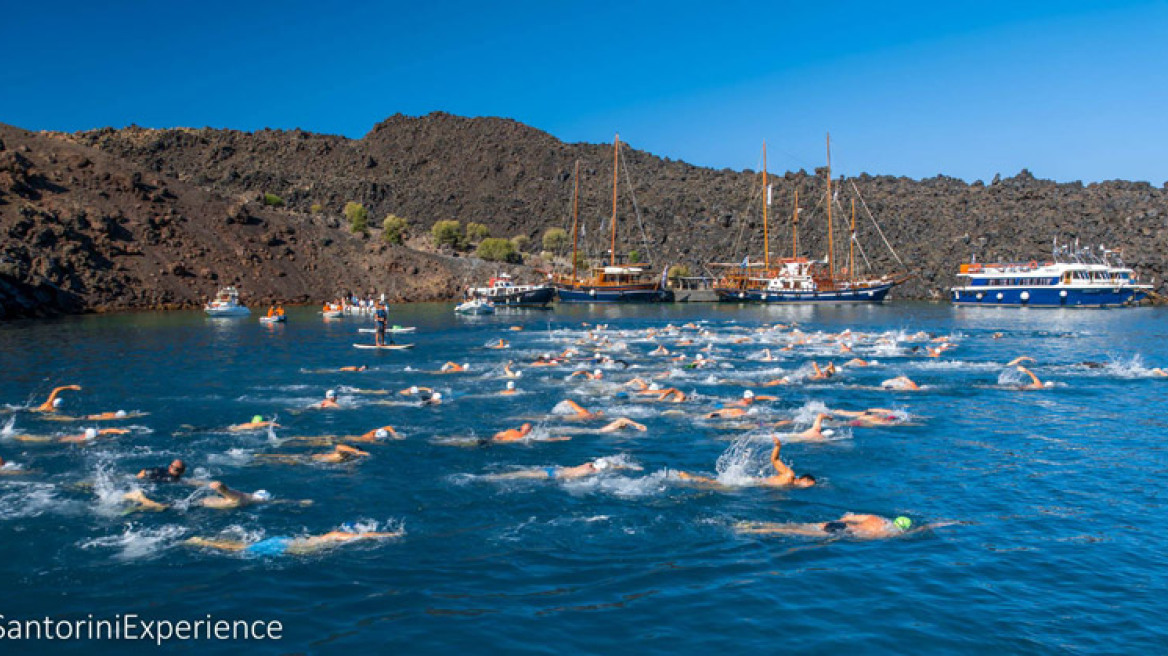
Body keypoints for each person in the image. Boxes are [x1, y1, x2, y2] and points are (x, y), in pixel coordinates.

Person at [677, 435, 816, 488]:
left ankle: (689, 478)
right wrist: (778, 446)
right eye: (810, 485)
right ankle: (688, 477)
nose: (809, 487)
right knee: (716, 485)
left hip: (755, 485)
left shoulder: (790, 485)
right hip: (752, 482)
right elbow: (774, 460)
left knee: (717, 484)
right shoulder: (790, 475)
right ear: (805, 480)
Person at [185, 526, 403, 555]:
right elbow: (364, 536)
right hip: (288, 546)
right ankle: (201, 542)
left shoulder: (326, 536)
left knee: (241, 548)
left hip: (286, 541)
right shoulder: (337, 537)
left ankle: (204, 541)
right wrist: (390, 535)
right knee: (241, 550)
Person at [736, 513, 917, 539]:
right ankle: (760, 530)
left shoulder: (875, 518)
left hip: (838, 523)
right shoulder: (887, 533)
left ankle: (754, 524)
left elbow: (848, 516)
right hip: (843, 531)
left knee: (797, 525)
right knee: (793, 531)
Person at [485, 457, 637, 481]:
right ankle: (492, 478)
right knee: (522, 476)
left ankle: (495, 476)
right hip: (554, 475)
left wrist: (626, 466)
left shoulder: (588, 464)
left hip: (554, 469)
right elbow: (569, 479)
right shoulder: (588, 471)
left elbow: (610, 464)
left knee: (521, 473)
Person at [201, 481, 276, 509]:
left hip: (204, 503)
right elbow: (226, 492)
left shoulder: (246, 499)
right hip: (200, 503)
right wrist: (220, 486)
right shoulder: (241, 497)